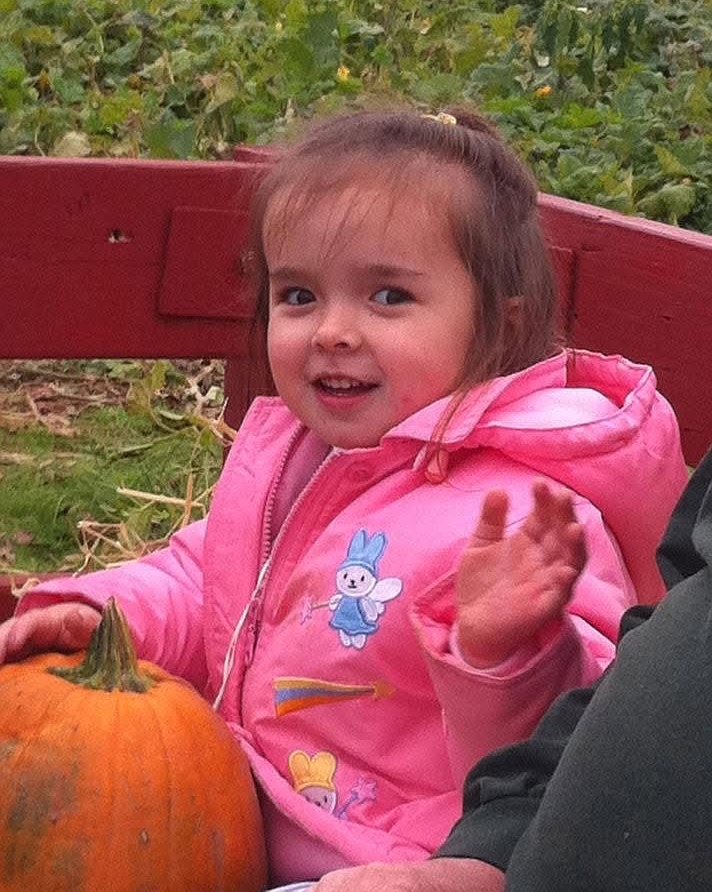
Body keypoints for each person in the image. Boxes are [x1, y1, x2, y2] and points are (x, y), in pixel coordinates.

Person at [0, 107, 687, 886]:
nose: (331, 330)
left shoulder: (528, 514)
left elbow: (581, 760)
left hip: (394, 869)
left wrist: (507, 654)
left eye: (387, 297)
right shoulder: (306, 461)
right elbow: (206, 581)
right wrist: (100, 613)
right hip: (233, 822)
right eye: (298, 295)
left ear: (498, 324)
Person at [309, 448, 712, 892]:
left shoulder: (535, 513)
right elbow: (661, 643)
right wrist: (492, 850)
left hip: (392, 846)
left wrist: (500, 657)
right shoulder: (292, 464)